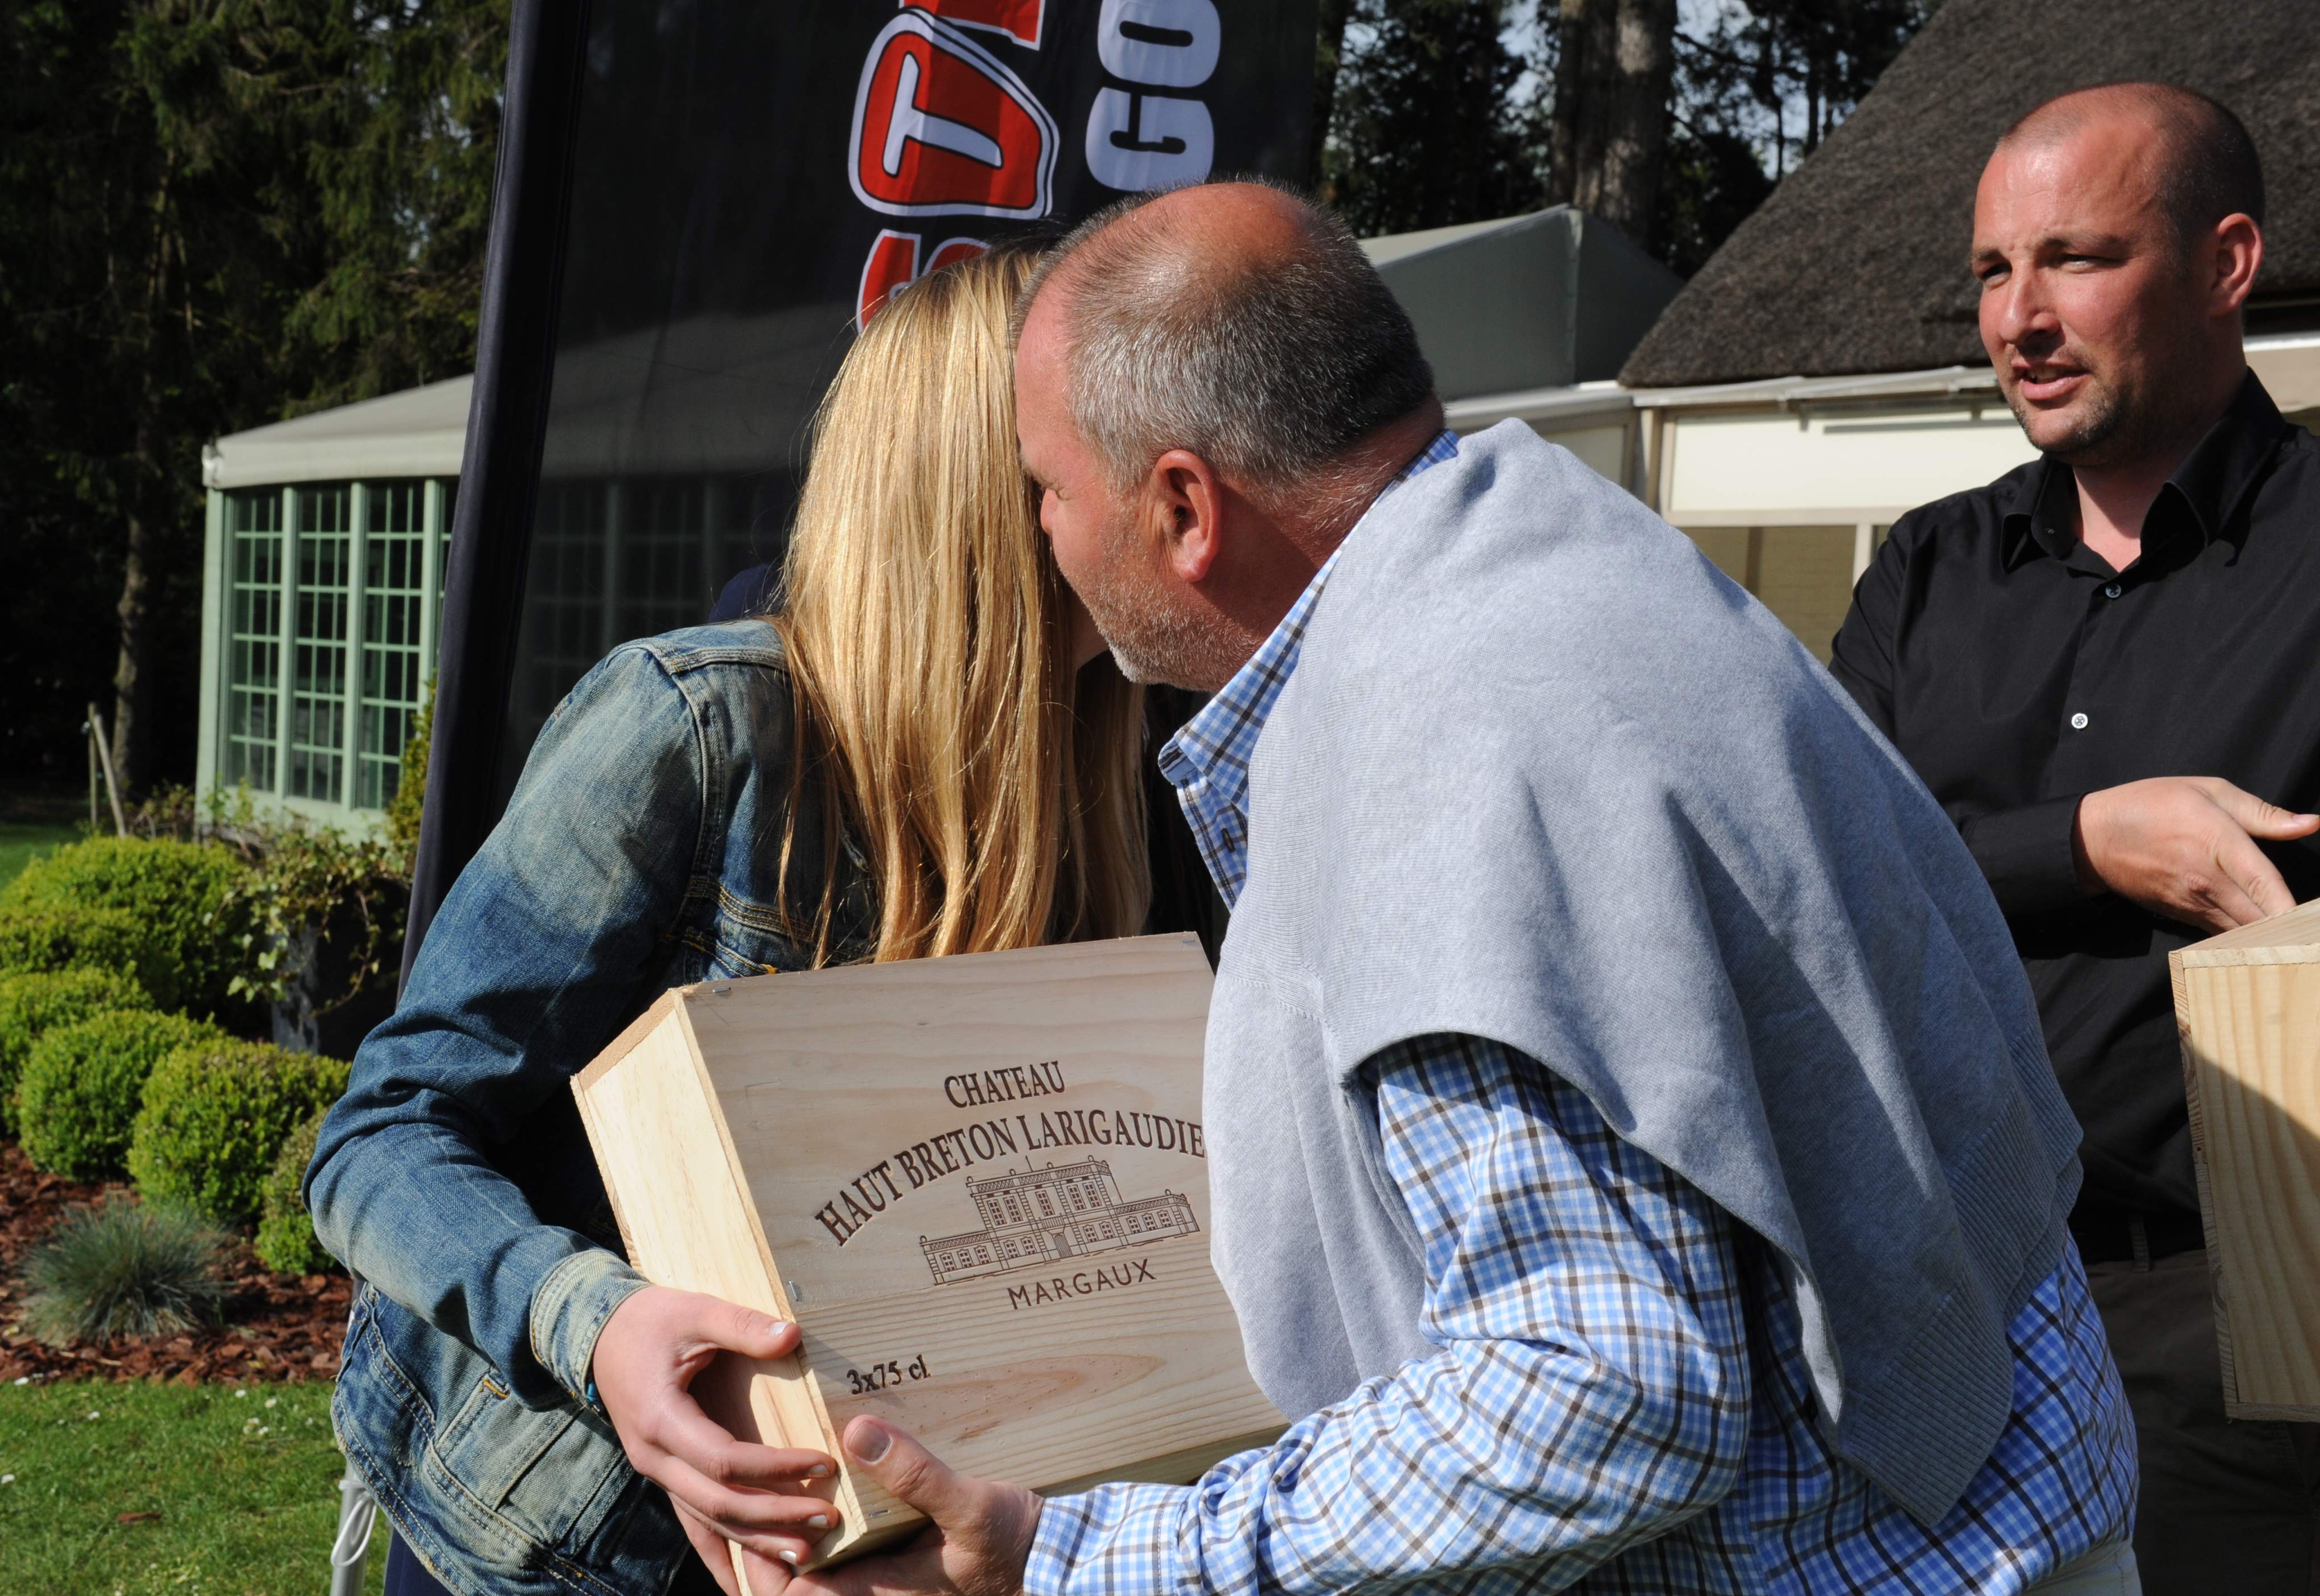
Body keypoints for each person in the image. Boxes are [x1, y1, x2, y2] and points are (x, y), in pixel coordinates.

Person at [744, 181, 2140, 1596]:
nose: (1039, 536)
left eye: (1045, 487)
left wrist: (1077, 1559)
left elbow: (1607, 1395)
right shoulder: (1576, 559)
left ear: (1181, 507)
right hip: (2006, 1515)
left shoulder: (1435, 755)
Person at [306, 244, 1152, 1596]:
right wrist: (598, 1327)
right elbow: (382, 1136)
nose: (1160, 496)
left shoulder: (1124, 781)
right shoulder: (692, 731)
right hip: (554, 1549)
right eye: (1103, 455)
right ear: (984, 489)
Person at [1827, 83, 2320, 1594]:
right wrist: (2093, 842)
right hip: (1933, 1319)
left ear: (2226, 262)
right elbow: (1819, 880)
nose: (2019, 319)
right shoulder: (1928, 569)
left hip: (2243, 1327)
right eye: (1993, 271)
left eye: (2077, 259)